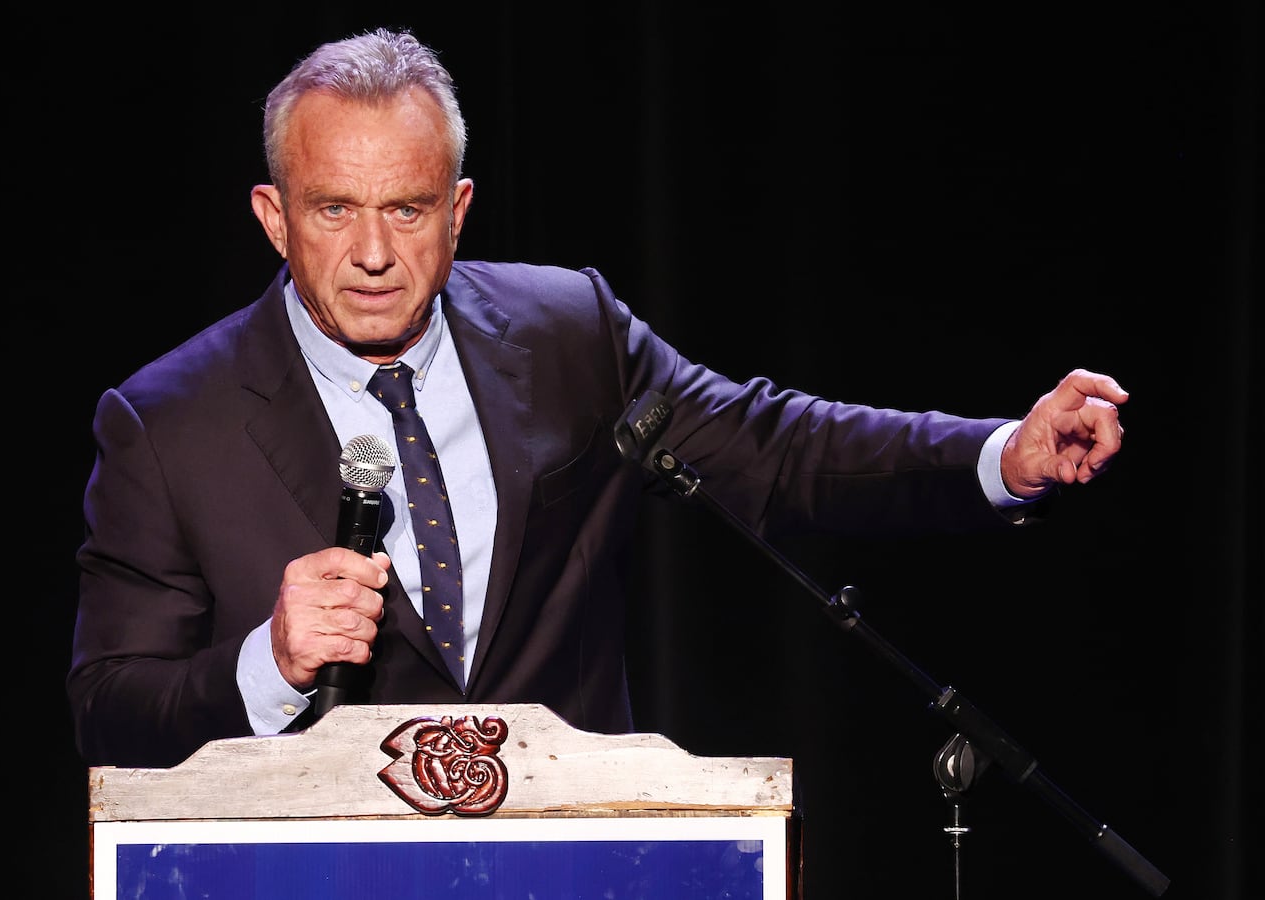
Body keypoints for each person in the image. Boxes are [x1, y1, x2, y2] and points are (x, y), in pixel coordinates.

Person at [65, 28, 1128, 769]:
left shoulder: (565, 333)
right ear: (273, 215)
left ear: (459, 208)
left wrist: (1002, 456)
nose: (376, 253)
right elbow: (110, 712)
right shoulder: (168, 423)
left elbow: (776, 447)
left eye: (408, 207)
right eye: (334, 209)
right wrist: (269, 660)